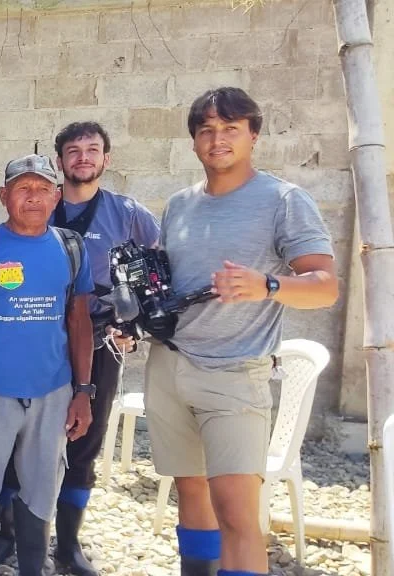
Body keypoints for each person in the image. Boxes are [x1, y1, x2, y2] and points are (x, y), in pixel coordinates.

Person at [148, 88, 337, 576]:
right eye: (206, 130)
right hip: (169, 364)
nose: (218, 139)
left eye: (231, 128)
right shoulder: (179, 205)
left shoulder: (283, 201)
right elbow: (174, 285)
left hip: (235, 372)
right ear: (193, 142)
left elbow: (325, 286)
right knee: (190, 491)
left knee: (235, 510)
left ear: (253, 135)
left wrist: (267, 285)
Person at [0, 122, 161, 576]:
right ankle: (7, 536)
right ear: (60, 161)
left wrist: (135, 325)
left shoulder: (128, 214)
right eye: (73, 151)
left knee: (82, 441)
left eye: (92, 150)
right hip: (33, 337)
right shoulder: (38, 203)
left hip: (97, 340)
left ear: (106, 159)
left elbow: (158, 270)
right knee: (17, 439)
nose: (83, 157)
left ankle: (67, 545)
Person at [0, 153, 95, 576]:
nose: (33, 197)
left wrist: (84, 391)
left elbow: (79, 322)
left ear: (56, 196)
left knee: (42, 487)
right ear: (4, 196)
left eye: (43, 189)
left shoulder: (70, 248)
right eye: (23, 189)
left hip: (51, 392)